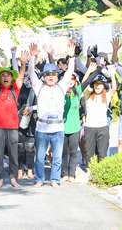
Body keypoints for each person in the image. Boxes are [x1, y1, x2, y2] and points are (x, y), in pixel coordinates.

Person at [28, 42, 76, 188]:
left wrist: (71, 57)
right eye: (47, 74)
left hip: (58, 128)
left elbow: (69, 73)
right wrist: (32, 57)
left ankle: (55, 180)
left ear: (56, 76)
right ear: (43, 76)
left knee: (57, 157)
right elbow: (31, 73)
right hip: (42, 128)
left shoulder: (62, 86)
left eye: (53, 74)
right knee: (40, 157)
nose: (50, 77)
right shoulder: (39, 87)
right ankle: (39, 179)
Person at [0, 47, 27, 188]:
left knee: (14, 155)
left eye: (8, 75)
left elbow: (20, 77)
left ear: (11, 78)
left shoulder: (15, 89)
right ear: (0, 78)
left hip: (13, 128)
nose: (6, 77)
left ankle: (13, 178)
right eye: (3, 75)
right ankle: (0, 178)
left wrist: (23, 63)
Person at [81, 62, 115, 167]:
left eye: (100, 84)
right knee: (89, 153)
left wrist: (112, 75)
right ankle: (90, 171)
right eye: (96, 84)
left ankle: (102, 173)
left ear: (104, 86)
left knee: (102, 153)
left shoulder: (107, 96)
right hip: (90, 127)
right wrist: (88, 72)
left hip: (102, 128)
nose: (98, 86)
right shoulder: (88, 96)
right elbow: (83, 86)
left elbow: (114, 89)